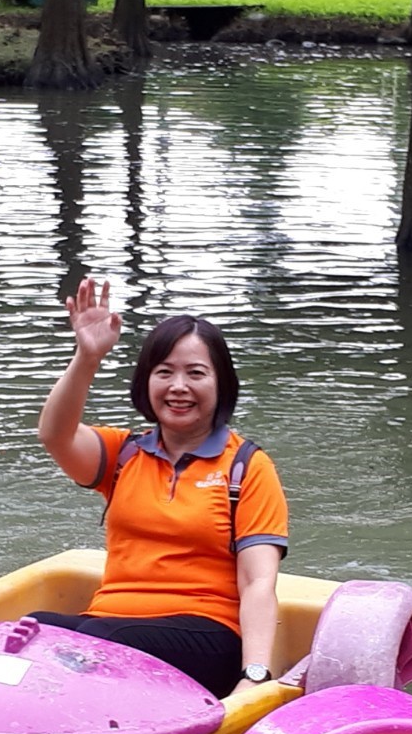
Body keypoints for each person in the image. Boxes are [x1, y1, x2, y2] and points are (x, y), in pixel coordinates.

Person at [34, 277, 288, 697]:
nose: (178, 387)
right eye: (164, 372)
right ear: (146, 382)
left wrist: (255, 674)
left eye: (196, 373)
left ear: (221, 384)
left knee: (100, 640)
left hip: (207, 635)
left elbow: (258, 582)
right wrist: (88, 357)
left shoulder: (247, 467)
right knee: (33, 629)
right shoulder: (123, 454)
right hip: (108, 625)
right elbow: (54, 435)